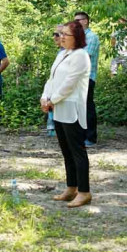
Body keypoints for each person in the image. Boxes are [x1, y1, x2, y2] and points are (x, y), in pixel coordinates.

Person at [42, 20, 93, 208]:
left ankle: (84, 191)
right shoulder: (62, 54)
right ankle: (71, 187)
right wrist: (44, 96)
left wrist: (51, 100)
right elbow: (52, 78)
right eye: (60, 34)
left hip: (71, 108)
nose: (61, 37)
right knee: (66, 151)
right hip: (59, 108)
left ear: (76, 37)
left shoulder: (81, 56)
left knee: (77, 151)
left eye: (65, 34)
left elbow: (69, 84)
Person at [73, 12, 100, 145]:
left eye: (78, 20)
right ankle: (80, 136)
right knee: (77, 107)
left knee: (87, 106)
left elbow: (85, 57)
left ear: (86, 21)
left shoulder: (92, 37)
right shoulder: (77, 38)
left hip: (87, 77)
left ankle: (90, 137)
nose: (75, 23)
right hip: (75, 77)